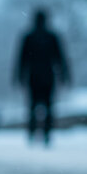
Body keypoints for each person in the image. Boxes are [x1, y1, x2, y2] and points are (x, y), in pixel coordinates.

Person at [14, 9, 70, 146]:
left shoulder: (29, 37)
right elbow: (60, 58)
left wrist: (19, 75)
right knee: (48, 106)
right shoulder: (51, 37)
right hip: (48, 77)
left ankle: (32, 132)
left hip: (33, 77)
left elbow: (21, 59)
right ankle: (46, 133)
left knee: (32, 107)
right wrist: (64, 74)